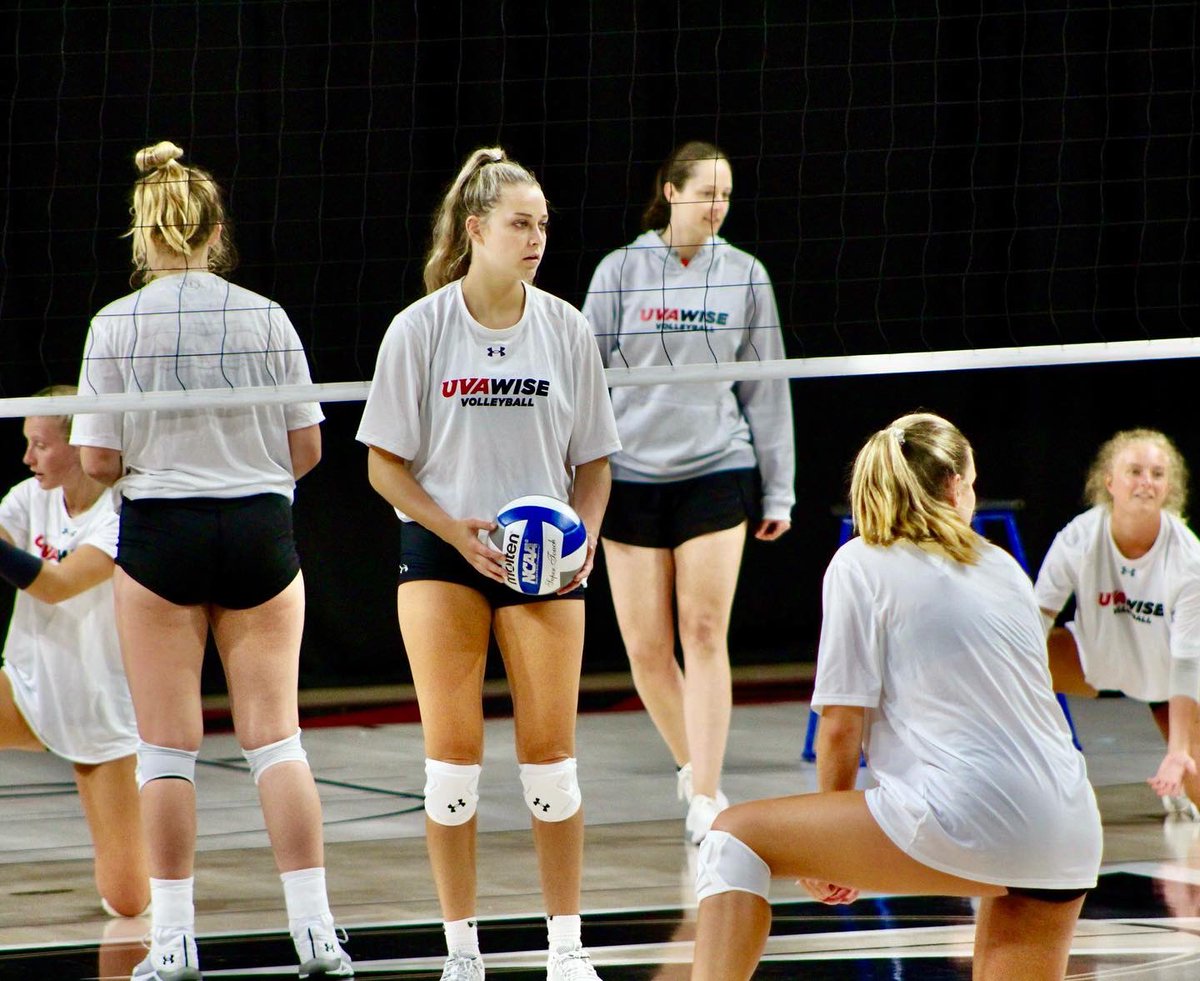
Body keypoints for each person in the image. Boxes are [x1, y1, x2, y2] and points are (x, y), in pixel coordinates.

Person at [71, 141, 352, 980]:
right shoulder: (265, 314)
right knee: (278, 741)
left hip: (164, 533)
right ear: (216, 230)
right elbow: (307, 447)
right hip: (259, 528)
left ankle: (174, 942)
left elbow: (95, 462)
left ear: (141, 233)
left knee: (165, 750)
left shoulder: (115, 324)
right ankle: (317, 934)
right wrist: (244, 467)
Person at [690, 413, 1102, 981]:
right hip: (1067, 826)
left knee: (733, 840)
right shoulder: (1001, 565)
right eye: (974, 483)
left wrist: (826, 849)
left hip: (966, 815)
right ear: (956, 486)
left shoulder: (861, 562)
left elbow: (840, 724)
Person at [357, 147, 620, 981]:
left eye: (543, 224)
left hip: (545, 563)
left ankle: (567, 949)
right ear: (476, 229)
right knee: (452, 769)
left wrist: (586, 539)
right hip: (444, 551)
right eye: (520, 223)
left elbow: (597, 462)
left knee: (552, 765)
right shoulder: (421, 327)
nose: (537, 237)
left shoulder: (567, 327)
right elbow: (383, 464)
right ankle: (462, 953)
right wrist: (452, 527)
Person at [581, 140, 795, 843]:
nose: (717, 205)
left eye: (726, 194)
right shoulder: (620, 270)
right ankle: (691, 765)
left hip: (715, 467)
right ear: (669, 192)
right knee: (646, 649)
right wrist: (576, 480)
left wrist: (779, 492)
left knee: (703, 633)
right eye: (705, 192)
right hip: (632, 476)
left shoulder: (745, 274)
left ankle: (706, 793)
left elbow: (767, 388)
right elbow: (585, 381)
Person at [0, 386, 148, 919]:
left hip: (97, 707)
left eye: (39, 444)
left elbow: (57, 584)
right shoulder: (28, 497)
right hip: (25, 685)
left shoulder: (123, 510)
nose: (27, 457)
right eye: (26, 443)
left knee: (128, 901)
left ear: (80, 443)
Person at [1035, 428, 1200, 819]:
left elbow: (1186, 661)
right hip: (1093, 661)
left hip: (1167, 675)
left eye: (1158, 474)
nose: (1146, 482)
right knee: (1013, 658)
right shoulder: (1078, 538)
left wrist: (1179, 752)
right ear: (1109, 481)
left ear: (1170, 487)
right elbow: (1037, 618)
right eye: (1135, 471)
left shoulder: (1188, 557)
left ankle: (1182, 785)